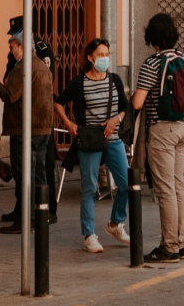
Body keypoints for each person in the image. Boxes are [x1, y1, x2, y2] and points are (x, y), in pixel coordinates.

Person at [131, 13, 184, 264]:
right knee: (178, 187)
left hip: (161, 130)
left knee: (165, 191)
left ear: (152, 36)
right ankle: (180, 242)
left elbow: (138, 102)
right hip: (182, 129)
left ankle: (169, 247)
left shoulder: (152, 63)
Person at [54, 39, 130, 253]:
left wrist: (117, 119)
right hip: (89, 141)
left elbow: (125, 107)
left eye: (107, 54)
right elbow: (59, 102)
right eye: (101, 54)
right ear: (90, 57)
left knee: (125, 184)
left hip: (114, 140)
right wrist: (68, 123)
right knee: (89, 187)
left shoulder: (114, 80)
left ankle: (115, 224)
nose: (105, 58)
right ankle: (89, 235)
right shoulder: (79, 83)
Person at [0, 19, 54, 235]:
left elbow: (10, 95)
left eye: (12, 47)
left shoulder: (23, 68)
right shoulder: (42, 66)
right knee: (39, 175)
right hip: (43, 129)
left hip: (25, 130)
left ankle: (25, 220)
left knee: (23, 175)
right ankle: (40, 215)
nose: (11, 51)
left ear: (22, 46)